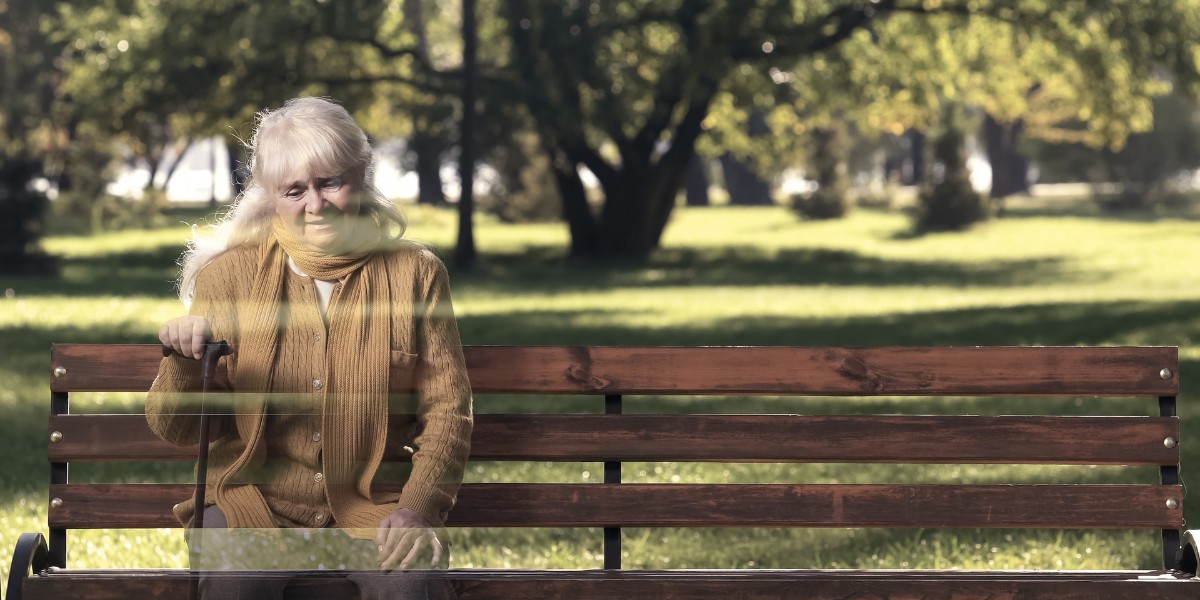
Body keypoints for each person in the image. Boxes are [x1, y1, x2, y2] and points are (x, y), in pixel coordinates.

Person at [146, 96, 473, 599]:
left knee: (412, 584)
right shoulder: (228, 277)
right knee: (237, 585)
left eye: (330, 183)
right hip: (250, 506)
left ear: (361, 175)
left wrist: (417, 507)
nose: (314, 204)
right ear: (271, 195)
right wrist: (186, 365)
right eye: (294, 190)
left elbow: (448, 410)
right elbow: (174, 428)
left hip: (376, 511)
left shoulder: (416, 273)